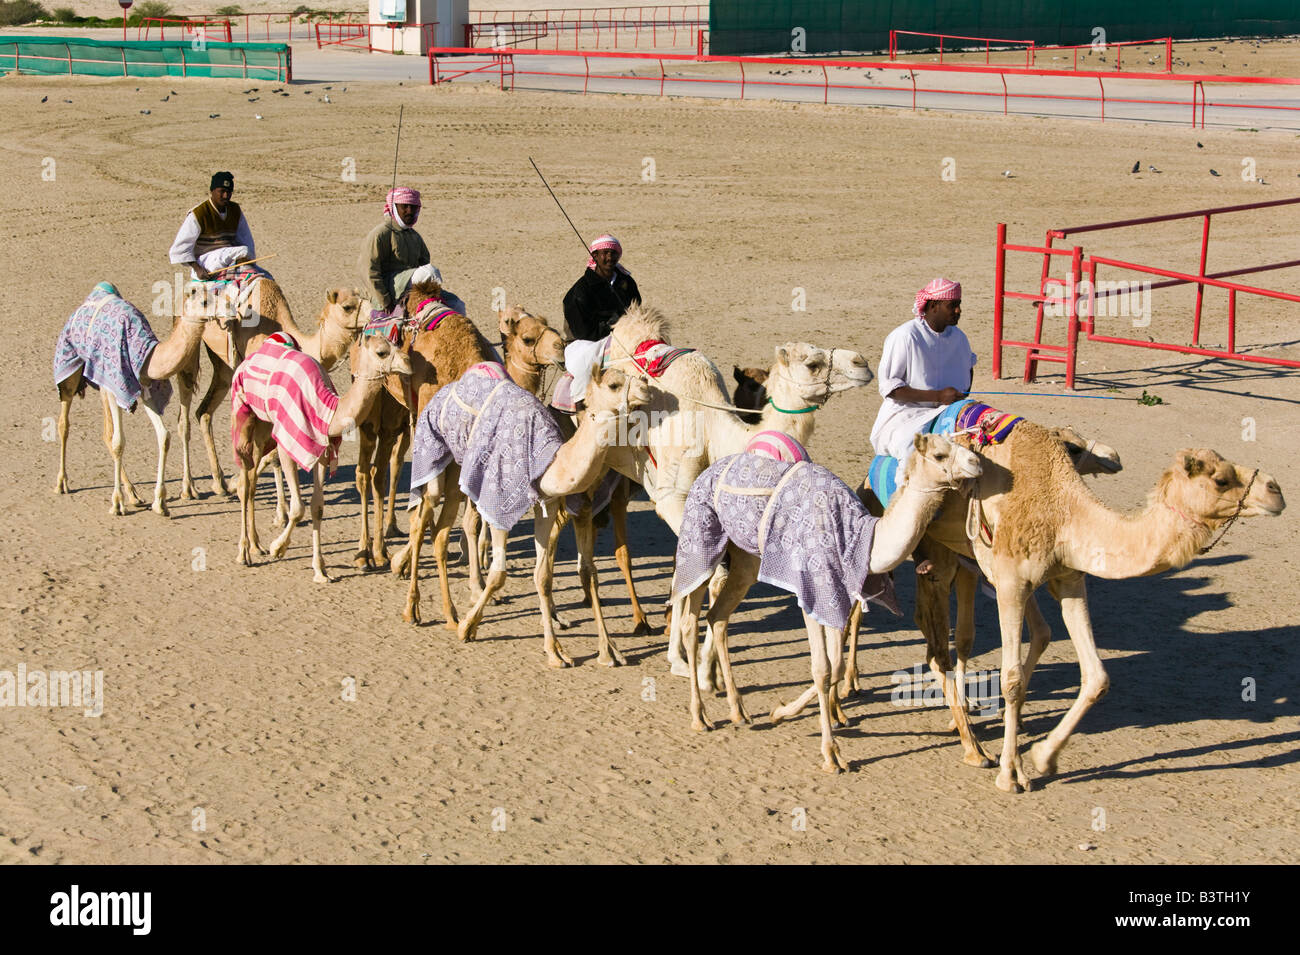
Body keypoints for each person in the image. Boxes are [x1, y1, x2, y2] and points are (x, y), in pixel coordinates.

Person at [869, 277, 976, 466]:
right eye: (952, 305)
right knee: (913, 450)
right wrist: (938, 396)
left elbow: (968, 369)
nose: (958, 310)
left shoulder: (959, 338)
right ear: (934, 305)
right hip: (907, 415)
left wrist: (958, 397)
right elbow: (890, 388)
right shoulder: (905, 336)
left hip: (949, 412)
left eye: (959, 304)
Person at [359, 186, 441, 316]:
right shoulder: (381, 234)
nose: (410, 211)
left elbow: (423, 262)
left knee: (456, 303)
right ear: (394, 208)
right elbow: (369, 271)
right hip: (388, 287)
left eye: (413, 207)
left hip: (409, 287)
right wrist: (384, 301)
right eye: (405, 206)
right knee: (430, 272)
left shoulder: (414, 236)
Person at [169, 171, 260, 280]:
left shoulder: (235, 210)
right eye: (222, 191)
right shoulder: (199, 213)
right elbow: (179, 249)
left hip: (230, 259)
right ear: (212, 191)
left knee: (265, 276)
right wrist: (198, 269)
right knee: (243, 250)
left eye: (229, 192)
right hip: (207, 262)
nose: (226, 196)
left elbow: (246, 240)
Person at [562, 234, 642, 342]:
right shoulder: (581, 291)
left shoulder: (627, 282)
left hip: (624, 336)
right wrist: (613, 324)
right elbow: (582, 332)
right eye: (605, 253)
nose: (609, 258)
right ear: (595, 256)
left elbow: (636, 308)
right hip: (587, 342)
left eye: (613, 253)